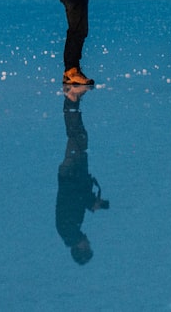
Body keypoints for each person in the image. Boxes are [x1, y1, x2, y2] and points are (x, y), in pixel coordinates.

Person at [56, 96, 109, 264]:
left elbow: (72, 198)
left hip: (71, 174)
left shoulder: (69, 231)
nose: (89, 243)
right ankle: (72, 104)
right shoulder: (71, 231)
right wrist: (92, 203)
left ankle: (71, 102)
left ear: (80, 248)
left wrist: (90, 202)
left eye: (87, 247)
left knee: (77, 137)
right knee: (79, 137)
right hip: (72, 175)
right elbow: (75, 200)